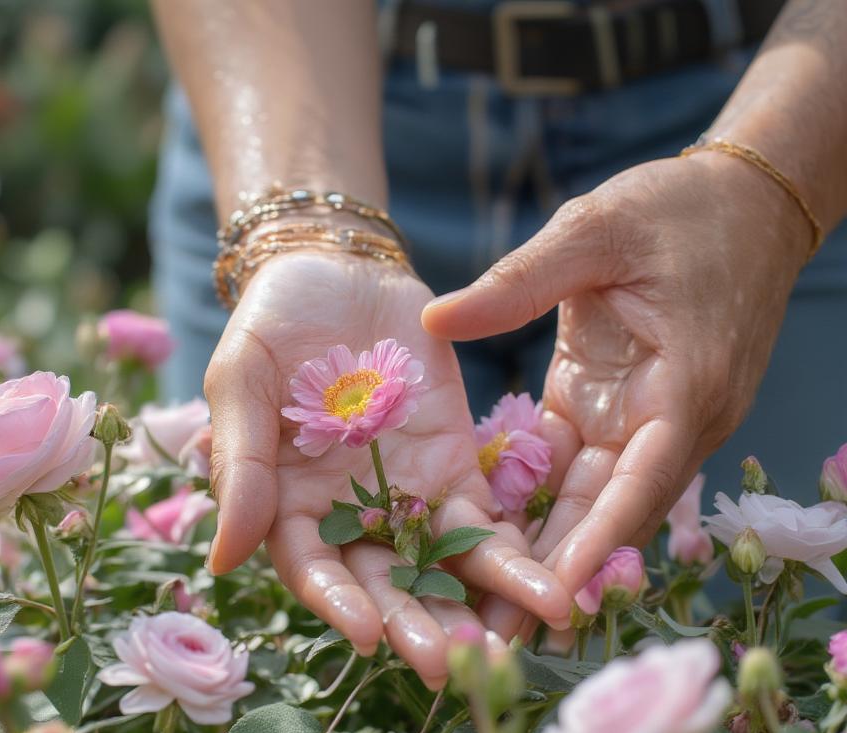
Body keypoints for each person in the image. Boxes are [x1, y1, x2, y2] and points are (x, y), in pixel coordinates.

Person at [150, 0, 847, 686]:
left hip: (769, 100)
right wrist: (302, 231)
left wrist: (766, 192)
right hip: (303, 106)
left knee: (763, 659)